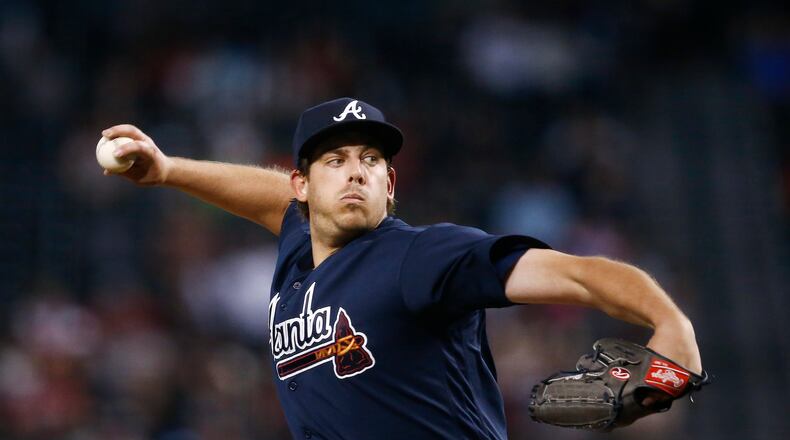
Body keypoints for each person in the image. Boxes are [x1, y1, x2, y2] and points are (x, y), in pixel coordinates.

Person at [102, 97, 702, 439]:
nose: (356, 170)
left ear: (391, 186)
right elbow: (267, 198)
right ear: (302, 186)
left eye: (370, 160)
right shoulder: (297, 244)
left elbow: (576, 274)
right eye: (334, 160)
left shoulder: (420, 256)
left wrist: (668, 323)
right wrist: (168, 170)